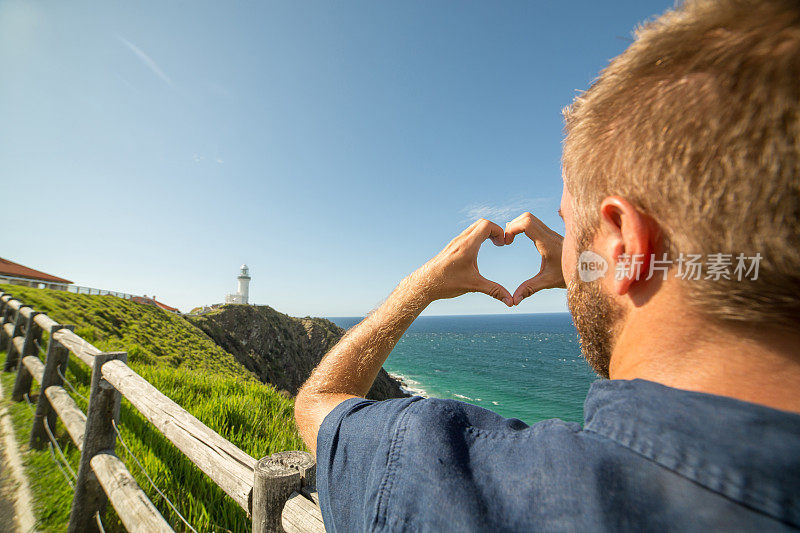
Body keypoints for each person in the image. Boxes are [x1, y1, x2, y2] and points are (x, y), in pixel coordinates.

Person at [294, 0, 800, 530]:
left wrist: (419, 285)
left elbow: (319, 402)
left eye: (570, 221)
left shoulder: (469, 482)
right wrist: (593, 268)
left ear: (625, 241)